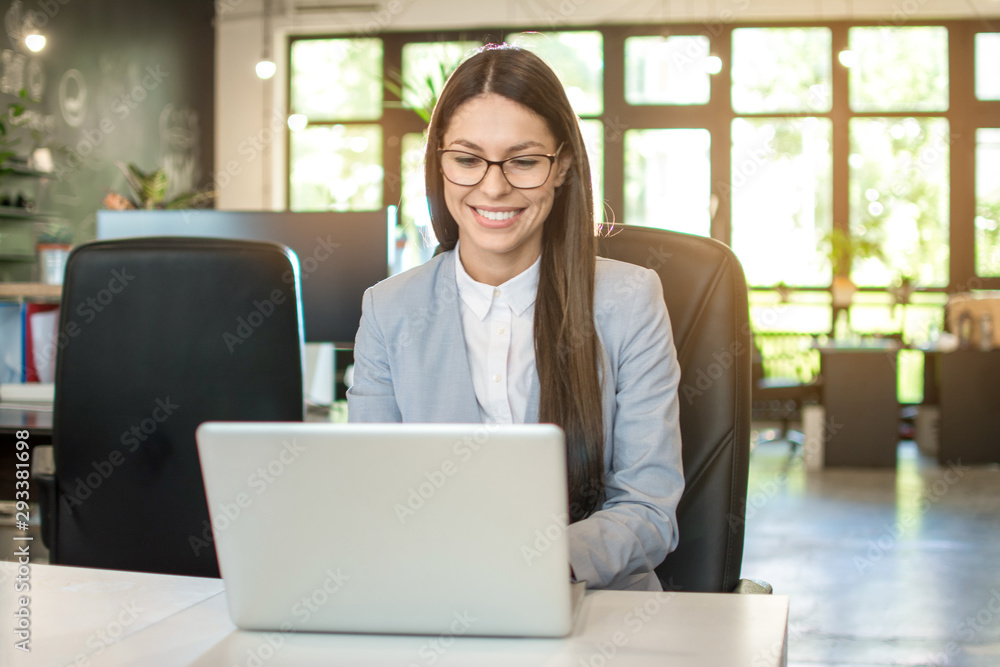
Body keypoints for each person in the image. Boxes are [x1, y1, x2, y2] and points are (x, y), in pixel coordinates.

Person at [347, 44, 684, 591]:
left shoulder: (630, 302)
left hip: (593, 612)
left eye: (524, 161)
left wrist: (532, 561)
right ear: (439, 162)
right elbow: (370, 497)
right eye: (467, 158)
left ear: (563, 166)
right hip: (432, 602)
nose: (494, 185)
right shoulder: (388, 310)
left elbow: (648, 509)